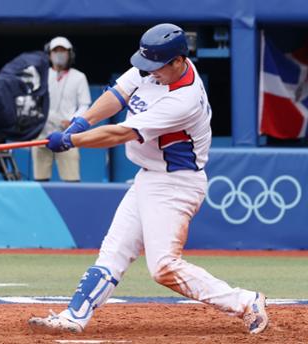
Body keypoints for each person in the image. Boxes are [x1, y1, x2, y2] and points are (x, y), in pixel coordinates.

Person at [28, 24, 268, 335]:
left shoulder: (183, 98)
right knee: (113, 252)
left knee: (163, 267)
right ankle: (74, 317)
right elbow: (117, 95)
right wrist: (79, 123)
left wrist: (73, 141)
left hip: (176, 185)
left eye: (157, 67)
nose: (149, 72)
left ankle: (247, 302)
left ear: (179, 61)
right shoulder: (152, 64)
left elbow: (120, 132)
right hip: (148, 177)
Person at [31, 36, 91, 182]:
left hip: (67, 134)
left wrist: (72, 121)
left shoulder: (79, 77)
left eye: (62, 51)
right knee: (40, 179)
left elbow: (85, 104)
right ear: (49, 54)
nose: (59, 54)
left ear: (70, 54)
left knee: (71, 178)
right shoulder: (39, 75)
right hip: (42, 133)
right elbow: (33, 100)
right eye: (55, 51)